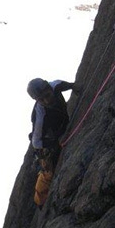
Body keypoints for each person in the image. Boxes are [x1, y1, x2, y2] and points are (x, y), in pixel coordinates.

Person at [27, 78, 76, 207]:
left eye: (47, 95)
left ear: (50, 89)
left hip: (60, 126)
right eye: (41, 100)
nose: (47, 101)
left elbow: (66, 85)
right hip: (47, 140)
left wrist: (75, 87)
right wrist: (54, 144)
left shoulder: (55, 86)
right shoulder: (39, 113)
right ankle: (39, 202)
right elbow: (36, 142)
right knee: (48, 173)